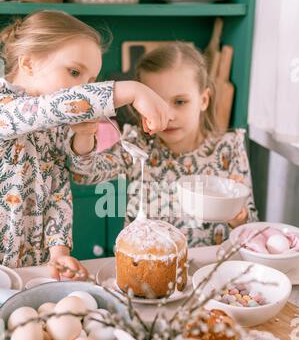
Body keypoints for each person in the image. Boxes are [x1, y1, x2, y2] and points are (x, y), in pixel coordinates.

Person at [0, 10, 169, 277]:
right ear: (29, 64)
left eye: (89, 82)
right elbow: (46, 108)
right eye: (74, 72)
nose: (82, 88)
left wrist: (59, 253)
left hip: (34, 266)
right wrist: (133, 90)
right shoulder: (6, 108)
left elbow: (61, 187)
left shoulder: (56, 126)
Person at [69, 41, 258, 247]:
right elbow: (83, 174)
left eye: (179, 102)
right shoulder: (137, 145)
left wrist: (238, 219)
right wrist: (85, 133)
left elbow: (252, 229)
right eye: (156, 102)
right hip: (144, 268)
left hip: (208, 270)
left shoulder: (229, 148)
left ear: (203, 100)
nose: (167, 115)